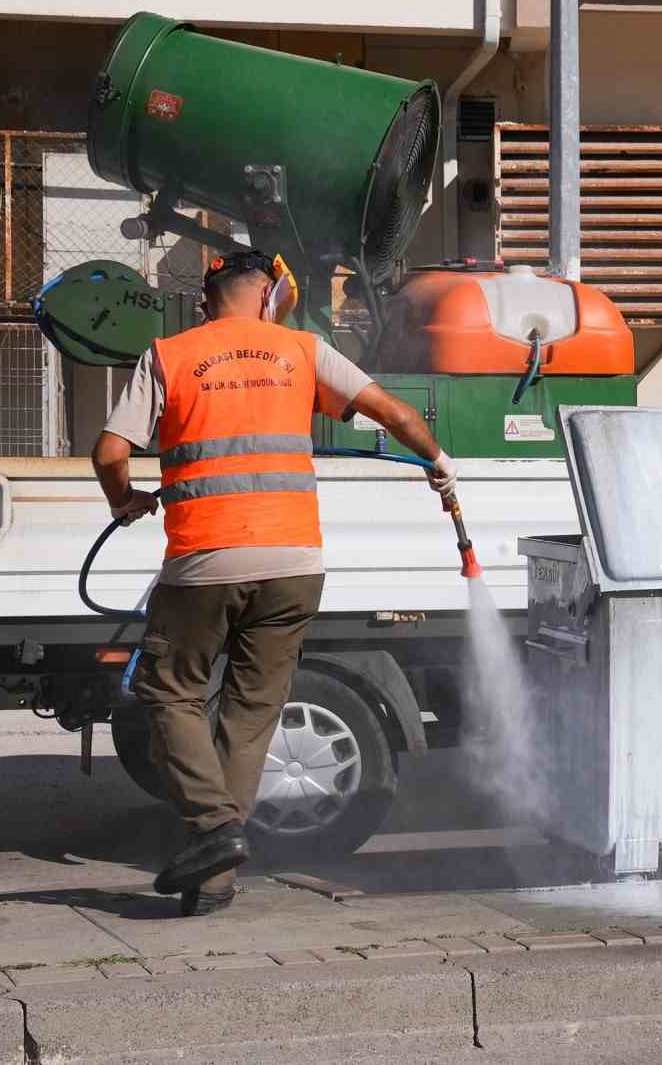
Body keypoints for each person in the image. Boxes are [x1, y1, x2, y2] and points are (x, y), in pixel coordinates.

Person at [90, 249, 454, 917]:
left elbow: (110, 452)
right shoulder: (303, 350)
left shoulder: (169, 356)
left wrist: (126, 500)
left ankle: (213, 827)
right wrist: (438, 463)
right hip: (293, 566)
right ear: (268, 295)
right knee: (251, 714)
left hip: (205, 561)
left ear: (209, 298)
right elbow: (394, 413)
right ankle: (215, 878)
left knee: (170, 691)